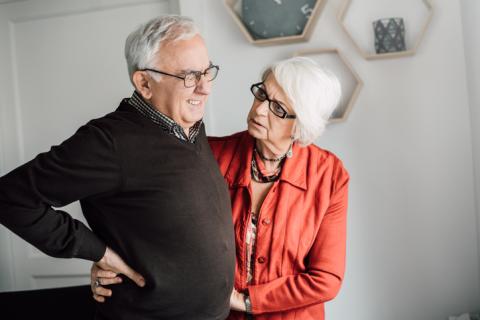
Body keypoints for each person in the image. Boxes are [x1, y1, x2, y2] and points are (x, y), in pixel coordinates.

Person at [0, 15, 235, 320]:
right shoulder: (107, 142)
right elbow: (11, 197)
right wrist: (97, 252)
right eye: (189, 76)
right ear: (144, 83)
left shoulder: (189, 125)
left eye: (207, 71)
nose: (204, 87)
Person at [92, 56, 350, 319]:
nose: (260, 110)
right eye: (262, 94)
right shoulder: (209, 153)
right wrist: (108, 258)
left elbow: (326, 278)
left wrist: (246, 301)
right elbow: (151, 223)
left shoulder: (329, 175)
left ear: (301, 125)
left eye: (278, 109)